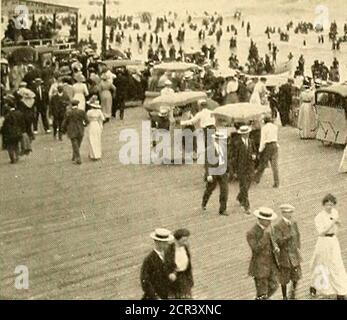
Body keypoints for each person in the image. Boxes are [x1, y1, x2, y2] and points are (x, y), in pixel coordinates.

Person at [309, 194, 347, 299]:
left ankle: (340, 291)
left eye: (331, 204)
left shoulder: (335, 212)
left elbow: (338, 226)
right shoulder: (319, 217)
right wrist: (332, 223)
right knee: (320, 264)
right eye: (327, 205)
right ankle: (314, 286)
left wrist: (337, 223)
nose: (329, 207)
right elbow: (321, 232)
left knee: (336, 264)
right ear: (323, 205)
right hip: (323, 241)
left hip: (333, 241)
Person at [247, 207, 280, 300]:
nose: (270, 222)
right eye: (267, 220)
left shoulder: (270, 229)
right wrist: (265, 235)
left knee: (274, 285)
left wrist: (276, 247)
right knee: (262, 292)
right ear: (260, 219)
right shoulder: (251, 233)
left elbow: (273, 241)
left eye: (270, 220)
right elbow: (256, 249)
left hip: (271, 264)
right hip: (259, 267)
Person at [274, 204, 302, 300]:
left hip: (294, 253)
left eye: (291, 212)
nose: (290, 214)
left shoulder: (294, 223)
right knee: (284, 277)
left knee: (296, 275)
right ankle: (284, 296)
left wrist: (298, 247)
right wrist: (287, 237)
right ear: (283, 213)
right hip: (285, 254)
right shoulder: (278, 226)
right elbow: (278, 240)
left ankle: (293, 292)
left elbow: (297, 235)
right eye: (287, 212)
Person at [140, 228, 174, 300]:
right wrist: (156, 297)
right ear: (158, 243)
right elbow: (145, 282)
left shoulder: (168, 257)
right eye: (165, 243)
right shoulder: (149, 260)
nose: (167, 244)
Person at [202, 130, 229, 216]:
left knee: (225, 190)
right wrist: (209, 174)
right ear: (216, 140)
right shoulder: (209, 149)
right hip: (213, 172)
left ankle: (222, 209)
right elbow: (207, 163)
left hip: (222, 171)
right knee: (210, 189)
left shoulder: (224, 148)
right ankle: (204, 202)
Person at [232, 125, 257, 214]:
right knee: (244, 186)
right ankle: (247, 207)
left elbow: (254, 151)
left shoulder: (251, 141)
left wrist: (254, 155)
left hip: (250, 167)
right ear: (242, 135)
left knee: (248, 184)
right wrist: (234, 171)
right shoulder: (237, 144)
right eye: (245, 134)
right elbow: (234, 158)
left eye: (248, 133)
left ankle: (240, 197)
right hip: (241, 168)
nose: (247, 135)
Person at [166, 228, 194, 299]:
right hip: (174, 278)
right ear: (176, 240)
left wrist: (190, 279)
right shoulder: (169, 250)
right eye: (183, 240)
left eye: (187, 240)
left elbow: (188, 263)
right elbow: (166, 265)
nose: (186, 242)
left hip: (184, 277)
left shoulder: (185, 247)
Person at [254, 116, 280, 188]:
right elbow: (276, 137)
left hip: (268, 146)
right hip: (275, 145)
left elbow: (263, 140)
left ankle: (257, 178)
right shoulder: (275, 127)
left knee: (263, 163)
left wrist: (260, 150)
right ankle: (276, 182)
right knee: (274, 165)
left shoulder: (264, 128)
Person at [62, 99, 89, 165]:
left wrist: (63, 129)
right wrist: (84, 125)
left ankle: (77, 157)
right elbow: (87, 121)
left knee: (74, 144)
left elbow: (65, 122)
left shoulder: (69, 113)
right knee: (78, 144)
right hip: (80, 129)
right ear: (77, 105)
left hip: (72, 130)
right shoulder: (81, 112)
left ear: (71, 105)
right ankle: (75, 156)